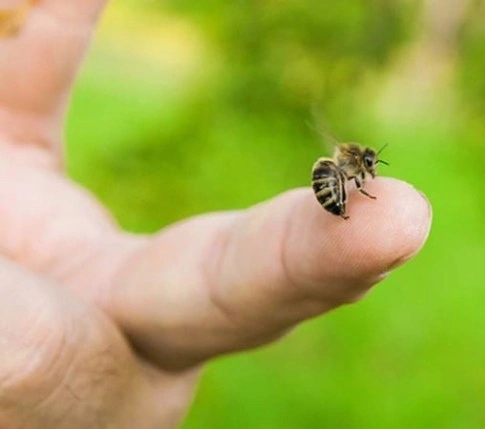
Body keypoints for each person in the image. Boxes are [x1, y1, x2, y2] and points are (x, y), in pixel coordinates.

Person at [0, 1, 432, 427]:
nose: (371, 173)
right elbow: (342, 174)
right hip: (331, 188)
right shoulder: (349, 167)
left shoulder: (351, 168)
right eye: (369, 168)